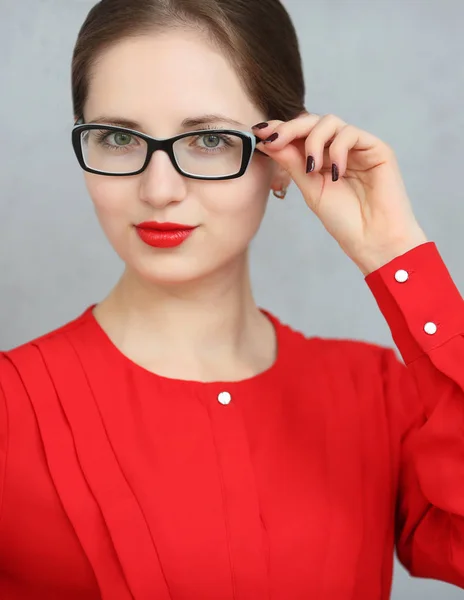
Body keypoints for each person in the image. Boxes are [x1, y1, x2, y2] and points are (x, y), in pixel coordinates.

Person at [0, 0, 463, 598]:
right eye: (118, 137)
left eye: (210, 139)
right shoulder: (12, 408)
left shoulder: (375, 394)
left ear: (281, 155)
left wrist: (395, 252)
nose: (158, 189)